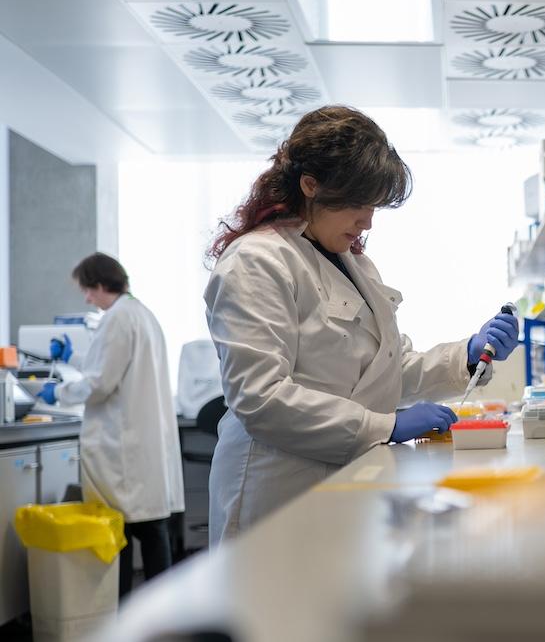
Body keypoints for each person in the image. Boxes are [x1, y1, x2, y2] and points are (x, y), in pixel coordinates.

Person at [204, 106, 519, 545]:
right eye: (357, 203)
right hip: (276, 491)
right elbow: (261, 398)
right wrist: (385, 427)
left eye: (373, 205)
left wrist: (466, 354)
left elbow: (385, 367)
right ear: (310, 185)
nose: (367, 221)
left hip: (347, 484)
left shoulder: (353, 263)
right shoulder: (256, 262)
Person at [39, 253, 184, 596]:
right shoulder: (140, 314)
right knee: (152, 529)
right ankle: (155, 613)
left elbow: (100, 383)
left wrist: (56, 392)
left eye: (88, 291)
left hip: (124, 449)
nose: (87, 298)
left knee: (121, 534)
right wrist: (70, 357)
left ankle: (119, 615)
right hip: (142, 447)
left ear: (101, 284)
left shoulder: (117, 318)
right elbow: (108, 365)